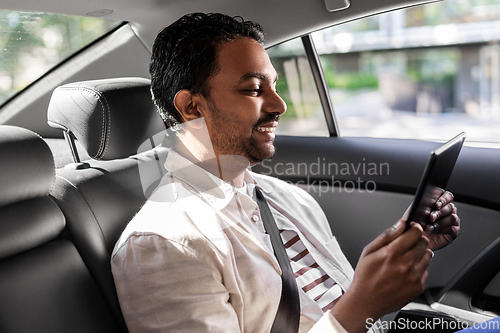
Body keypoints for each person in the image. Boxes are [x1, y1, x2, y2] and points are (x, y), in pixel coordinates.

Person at [111, 13, 460, 333]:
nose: (279, 106)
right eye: (253, 89)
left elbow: (334, 305)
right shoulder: (163, 245)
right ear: (191, 107)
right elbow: (351, 313)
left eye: (274, 86)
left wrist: (406, 251)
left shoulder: (286, 198)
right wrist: (363, 306)